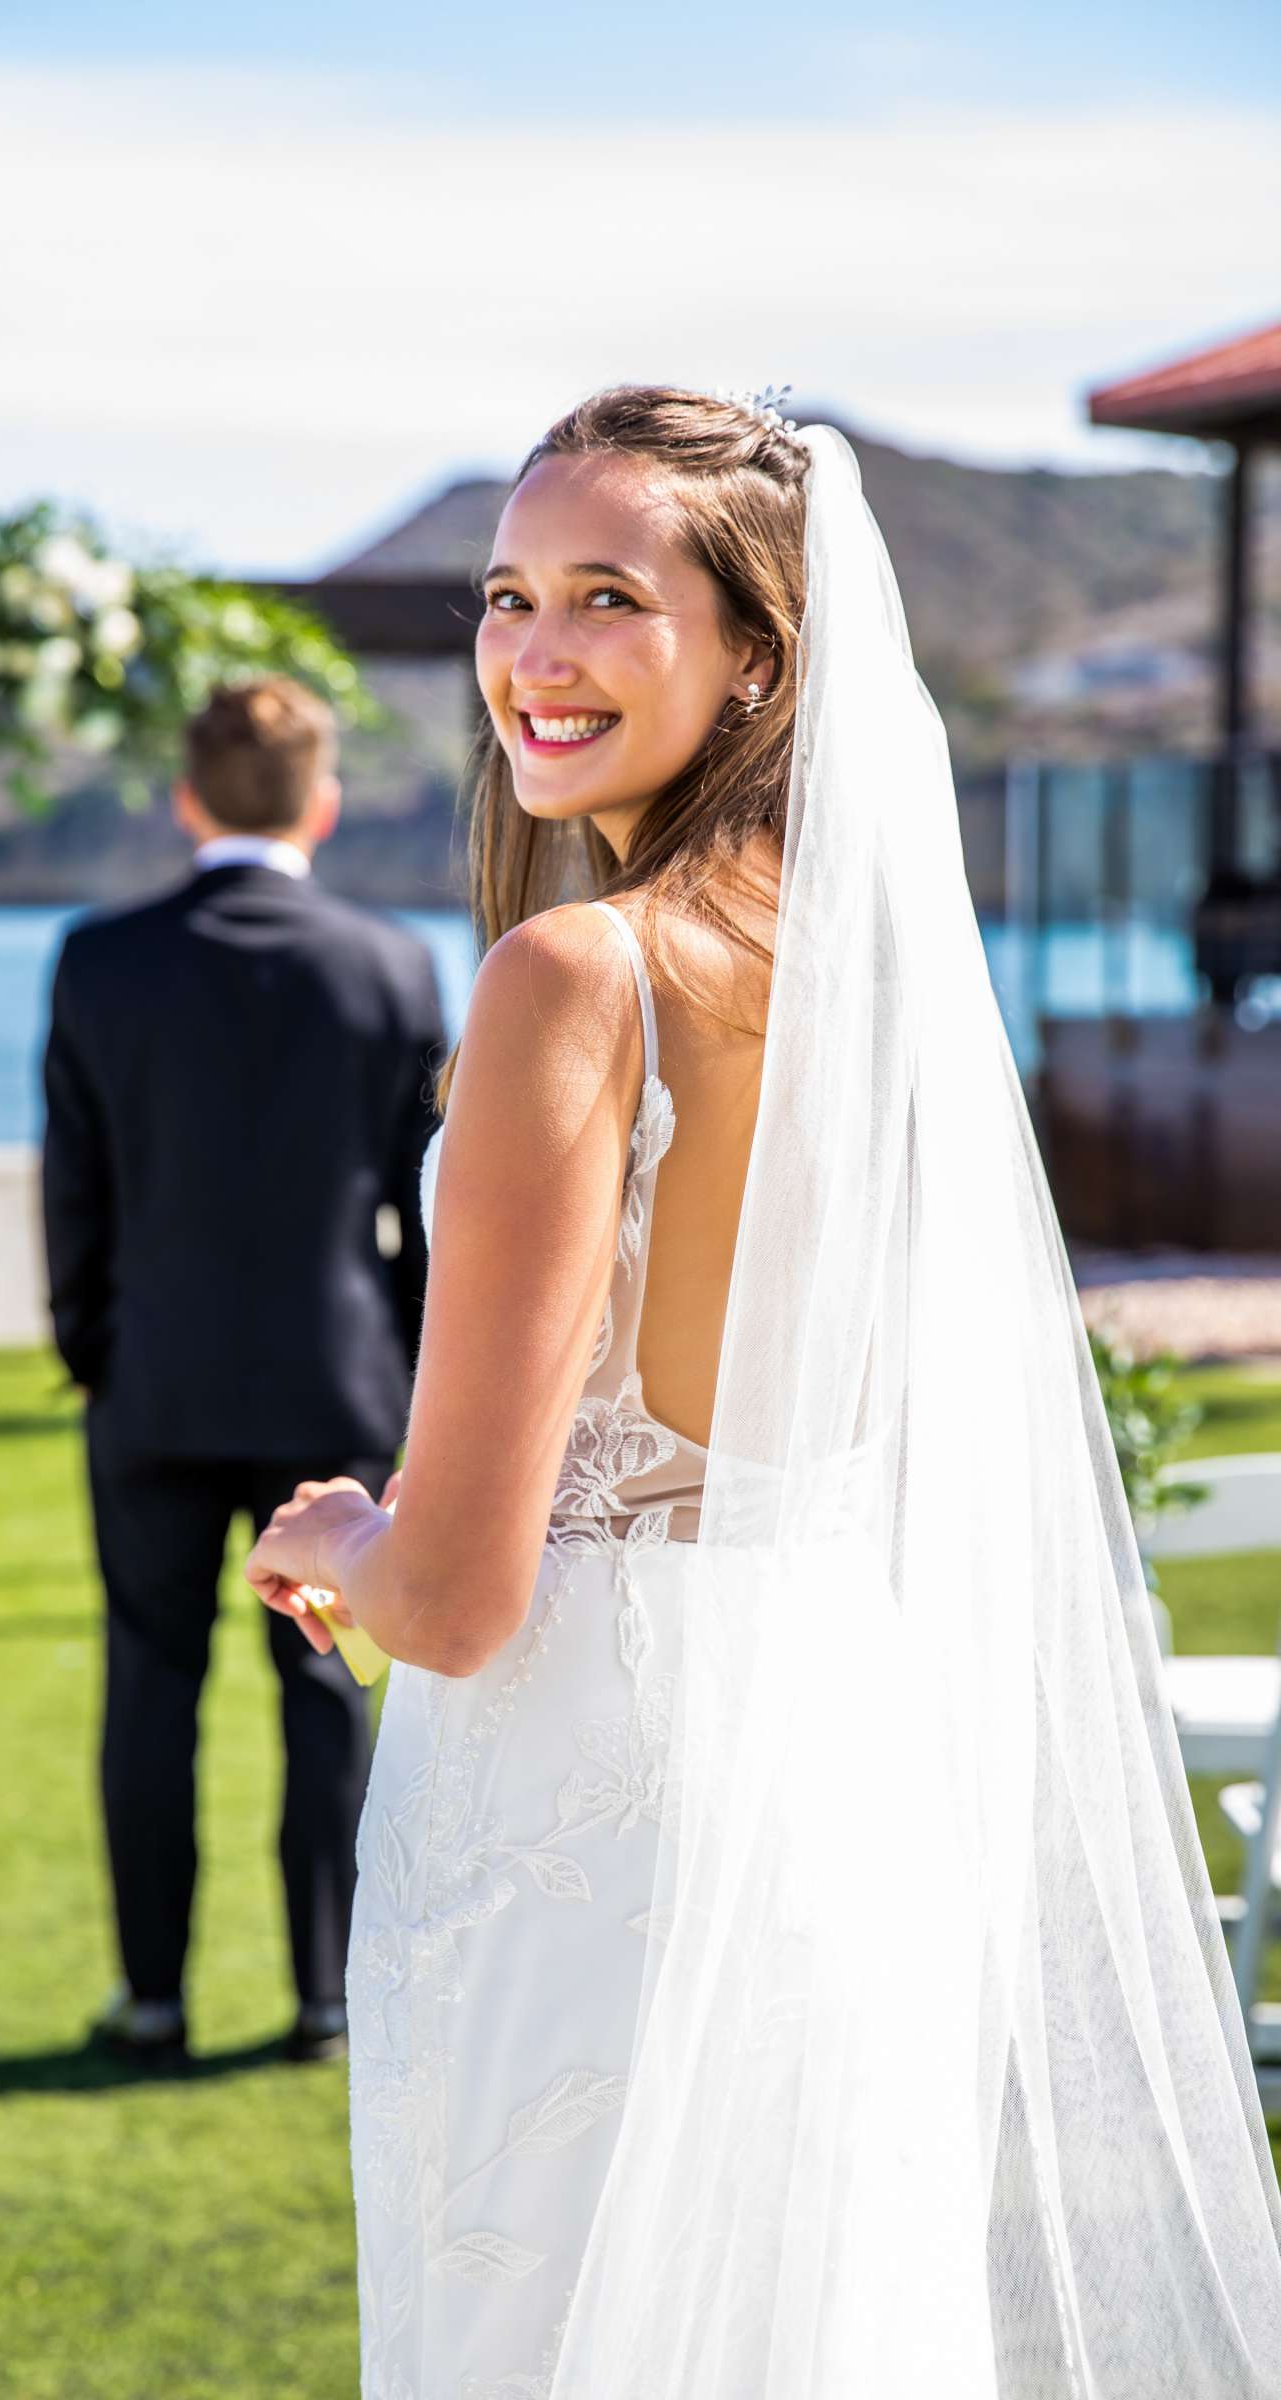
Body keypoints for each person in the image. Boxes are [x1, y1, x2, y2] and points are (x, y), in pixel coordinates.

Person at [246, 390, 1281, 2394]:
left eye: (608, 600)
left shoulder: (573, 979)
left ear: (756, 654)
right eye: (508, 596)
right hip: (823, 1767)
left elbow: (456, 1598)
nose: (531, 655)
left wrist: (338, 1538)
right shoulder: (871, 1000)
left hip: (586, 1819)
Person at [41, 674, 445, 2067]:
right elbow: (419, 1215)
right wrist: (404, 1382)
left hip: (148, 1389)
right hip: (336, 1396)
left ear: (186, 800)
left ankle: (152, 2000)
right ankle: (327, 2000)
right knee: (322, 1685)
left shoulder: (99, 959)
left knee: (147, 1685)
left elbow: (72, 1195)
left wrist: (95, 1352)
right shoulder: (394, 968)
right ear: (322, 806)